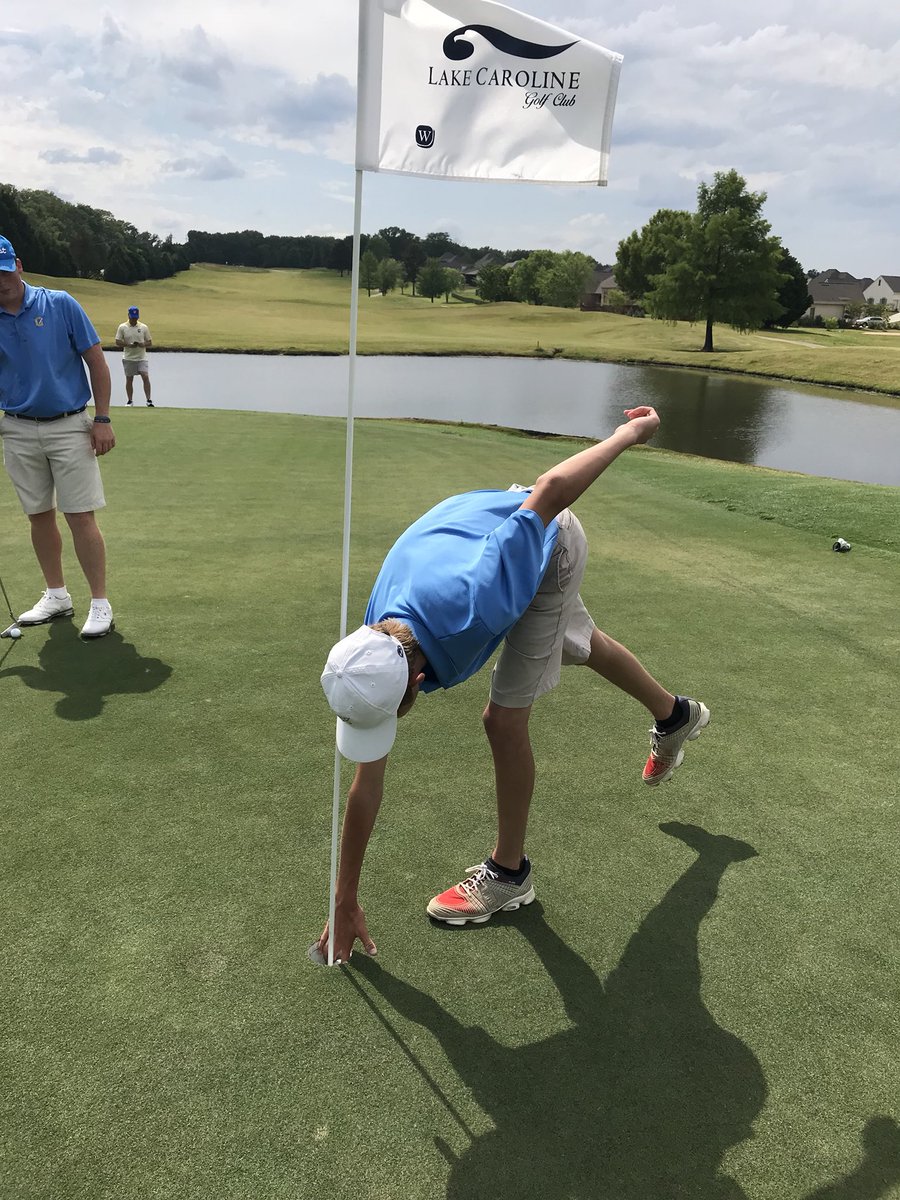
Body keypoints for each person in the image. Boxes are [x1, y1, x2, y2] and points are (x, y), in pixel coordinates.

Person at [317, 407, 711, 962]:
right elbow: (367, 782)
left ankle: (509, 874)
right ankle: (675, 715)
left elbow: (551, 491)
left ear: (418, 682)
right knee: (575, 642)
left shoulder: (477, 602)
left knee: (502, 720)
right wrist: (343, 897)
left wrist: (630, 433)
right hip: (488, 530)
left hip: (548, 541)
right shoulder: (373, 644)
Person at [0, 234, 116, 639]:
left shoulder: (60, 303)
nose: (1, 283)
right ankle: (56, 595)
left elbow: (96, 361)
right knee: (38, 514)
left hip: (69, 424)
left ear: (18, 266)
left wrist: (102, 418)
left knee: (80, 514)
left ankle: (100, 603)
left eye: (4, 272)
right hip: (16, 426)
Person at [115, 305, 153, 406]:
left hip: (141, 357)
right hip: (128, 357)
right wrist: (128, 345)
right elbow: (118, 342)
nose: (134, 320)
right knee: (129, 379)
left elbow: (149, 342)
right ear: (128, 315)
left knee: (145, 375)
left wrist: (143, 344)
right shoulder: (122, 327)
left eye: (136, 318)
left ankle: (149, 400)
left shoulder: (143, 327)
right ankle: (130, 400)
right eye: (132, 318)